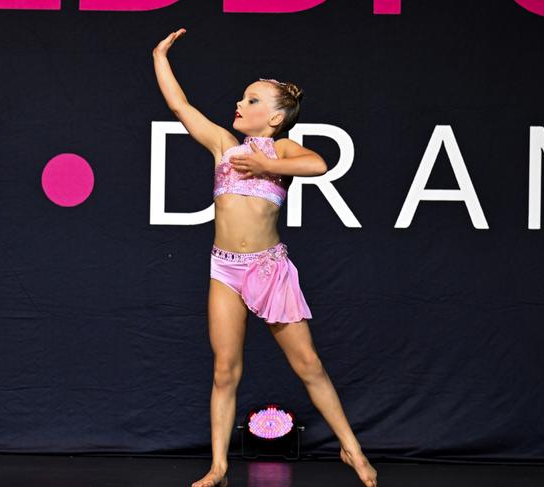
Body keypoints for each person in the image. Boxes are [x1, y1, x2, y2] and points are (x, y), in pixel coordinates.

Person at [152, 28, 378, 487]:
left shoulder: (283, 148)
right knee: (224, 369)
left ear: (275, 118)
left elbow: (319, 164)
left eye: (252, 100)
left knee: (308, 364)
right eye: (242, 98)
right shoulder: (223, 147)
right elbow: (180, 106)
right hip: (224, 269)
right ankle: (218, 466)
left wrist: (268, 166)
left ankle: (351, 449)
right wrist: (160, 56)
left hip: (268, 269)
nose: (240, 104)